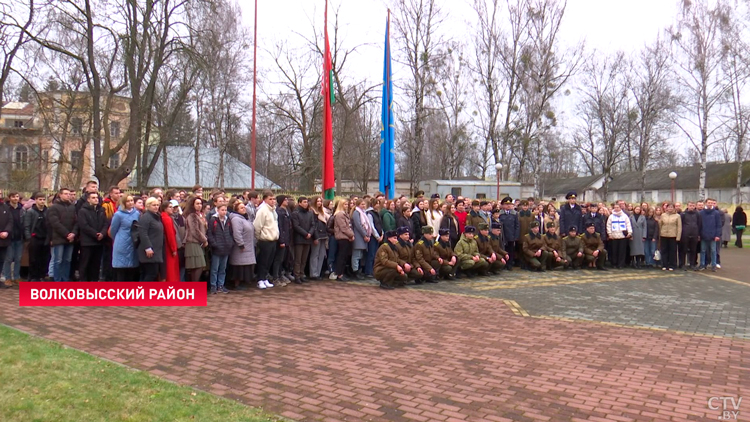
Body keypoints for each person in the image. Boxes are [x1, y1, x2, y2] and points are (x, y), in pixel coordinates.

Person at [77, 191, 108, 281]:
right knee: (85, 264)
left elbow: (106, 223)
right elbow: (84, 225)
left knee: (96, 264)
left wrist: (102, 233)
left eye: (97, 198)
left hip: (99, 242)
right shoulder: (83, 211)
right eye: (93, 198)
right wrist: (95, 234)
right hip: (87, 242)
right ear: (88, 199)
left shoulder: (101, 210)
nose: (96, 199)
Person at [47, 188, 78, 282]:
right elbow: (55, 223)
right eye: (65, 194)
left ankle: (65, 279)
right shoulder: (54, 207)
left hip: (70, 239)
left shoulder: (72, 207)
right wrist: (67, 234)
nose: (68, 195)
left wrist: (73, 233)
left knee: (67, 260)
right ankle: (57, 280)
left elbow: (76, 222)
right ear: (60, 195)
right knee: (58, 260)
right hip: (59, 238)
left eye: (69, 194)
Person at [109, 195, 140, 281]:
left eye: (132, 200)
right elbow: (113, 230)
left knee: (132, 269)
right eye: (128, 201)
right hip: (121, 242)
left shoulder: (136, 213)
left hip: (133, 241)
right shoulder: (118, 215)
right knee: (121, 269)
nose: (130, 203)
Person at [253, 191, 278, 289]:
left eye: (274, 199)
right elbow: (257, 225)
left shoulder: (273, 210)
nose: (273, 201)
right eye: (270, 199)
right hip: (265, 240)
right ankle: (260, 279)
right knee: (263, 261)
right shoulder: (262, 210)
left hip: (273, 239)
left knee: (269, 261)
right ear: (265, 200)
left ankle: (265, 278)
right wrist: (260, 237)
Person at [228, 201, 256, 289]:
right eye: (241, 208)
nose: (244, 209)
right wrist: (241, 244)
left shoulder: (245, 218)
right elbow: (237, 233)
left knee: (244, 266)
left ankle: (243, 282)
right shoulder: (236, 219)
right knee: (239, 266)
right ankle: (237, 284)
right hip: (241, 248)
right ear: (236, 210)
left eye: (244, 207)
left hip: (248, 245)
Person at [23, 193, 50, 281]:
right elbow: (27, 225)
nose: (42, 201)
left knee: (44, 258)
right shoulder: (31, 211)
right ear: (36, 200)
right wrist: (29, 238)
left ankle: (41, 275)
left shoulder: (47, 211)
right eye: (40, 199)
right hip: (34, 238)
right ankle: (33, 276)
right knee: (33, 258)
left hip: (45, 237)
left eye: (43, 200)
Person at [206, 204, 232, 294]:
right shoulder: (213, 220)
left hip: (226, 247)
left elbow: (230, 232)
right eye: (222, 210)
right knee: (215, 268)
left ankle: (221, 285)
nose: (224, 212)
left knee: (223, 268)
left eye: (225, 210)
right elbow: (210, 233)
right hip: (217, 248)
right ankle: (213, 285)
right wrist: (214, 244)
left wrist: (230, 243)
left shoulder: (227, 220)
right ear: (218, 210)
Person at [138, 197, 165, 281]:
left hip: (156, 249)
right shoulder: (146, 217)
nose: (156, 207)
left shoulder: (156, 216)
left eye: (157, 205)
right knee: (151, 273)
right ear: (148, 206)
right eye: (154, 205)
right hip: (149, 251)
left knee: (153, 273)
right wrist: (148, 247)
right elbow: (143, 233)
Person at [291, 196, 315, 284]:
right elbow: (296, 226)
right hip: (299, 238)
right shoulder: (296, 213)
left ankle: (302, 274)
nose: (306, 204)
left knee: (304, 259)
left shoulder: (310, 213)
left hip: (308, 238)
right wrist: (305, 233)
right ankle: (296, 275)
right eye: (304, 202)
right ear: (299, 203)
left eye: (307, 202)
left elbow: (313, 224)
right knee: (298, 259)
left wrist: (310, 233)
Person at [184, 196, 208, 282]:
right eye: (197, 204)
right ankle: (194, 287)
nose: (199, 205)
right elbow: (195, 231)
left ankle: (194, 287)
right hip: (192, 243)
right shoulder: (192, 215)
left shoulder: (199, 215)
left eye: (200, 203)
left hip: (197, 243)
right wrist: (204, 240)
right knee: (198, 266)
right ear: (192, 205)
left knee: (198, 266)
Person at [2, 192, 24, 285]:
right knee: (9, 258)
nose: (15, 198)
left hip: (19, 237)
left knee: (18, 258)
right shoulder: (6, 208)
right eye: (13, 197)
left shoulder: (22, 209)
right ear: (10, 198)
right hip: (9, 237)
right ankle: (7, 277)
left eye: (17, 197)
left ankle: (16, 276)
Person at [100, 186, 121, 281]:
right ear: (111, 194)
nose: (118, 195)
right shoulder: (107, 204)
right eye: (116, 193)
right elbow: (107, 219)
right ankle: (106, 276)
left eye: (118, 193)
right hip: (109, 233)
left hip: (116, 234)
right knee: (108, 257)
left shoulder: (118, 204)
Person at [272, 195, 293, 286]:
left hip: (287, 238)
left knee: (283, 259)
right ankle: (275, 277)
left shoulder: (286, 211)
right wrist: (282, 240)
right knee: (278, 259)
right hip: (282, 239)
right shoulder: (279, 212)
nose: (287, 201)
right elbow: (280, 227)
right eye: (285, 200)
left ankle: (281, 274)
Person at [332, 199, 354, 281]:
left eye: (347, 204)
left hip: (347, 237)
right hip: (342, 237)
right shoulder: (339, 215)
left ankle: (342, 273)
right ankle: (339, 274)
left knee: (344, 256)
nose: (347, 206)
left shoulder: (345, 214)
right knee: (341, 256)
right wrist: (351, 235)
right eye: (345, 204)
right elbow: (343, 227)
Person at [606, 203, 632, 269]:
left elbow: (628, 224)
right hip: (614, 236)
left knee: (622, 251)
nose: (616, 209)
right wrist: (609, 234)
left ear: (620, 208)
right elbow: (608, 225)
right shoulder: (611, 216)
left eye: (618, 207)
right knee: (614, 251)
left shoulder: (625, 216)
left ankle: (621, 264)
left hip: (622, 236)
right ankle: (614, 263)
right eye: (615, 207)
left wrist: (629, 232)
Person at [699, 198, 722, 272]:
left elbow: (718, 225)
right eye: (709, 202)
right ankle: (702, 264)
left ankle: (713, 265)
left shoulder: (716, 213)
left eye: (711, 203)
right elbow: (699, 225)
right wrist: (699, 234)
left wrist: (717, 235)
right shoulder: (701, 213)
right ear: (706, 203)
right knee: (702, 250)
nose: (710, 204)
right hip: (703, 235)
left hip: (713, 236)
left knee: (713, 251)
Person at [160, 200, 180, 283]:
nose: (172, 209)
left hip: (166, 246)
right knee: (171, 269)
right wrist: (173, 249)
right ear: (165, 208)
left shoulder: (163, 217)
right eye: (170, 207)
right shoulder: (167, 219)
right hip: (169, 248)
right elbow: (170, 235)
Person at [659, 202, 682, 272]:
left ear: (674, 208)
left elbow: (679, 227)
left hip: (673, 236)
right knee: (664, 251)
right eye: (669, 207)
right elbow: (660, 225)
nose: (670, 208)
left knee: (673, 251)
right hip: (664, 235)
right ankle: (664, 265)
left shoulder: (677, 216)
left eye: (672, 207)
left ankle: (672, 265)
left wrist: (678, 237)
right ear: (666, 208)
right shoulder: (663, 215)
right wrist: (660, 233)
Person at [498, 197, 519, 270]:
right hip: (503, 235)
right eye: (506, 204)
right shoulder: (500, 213)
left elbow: (517, 225)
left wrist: (515, 236)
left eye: (509, 204)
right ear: (503, 205)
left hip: (511, 235)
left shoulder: (514, 213)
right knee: (503, 250)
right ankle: (503, 264)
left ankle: (510, 264)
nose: (508, 206)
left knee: (511, 250)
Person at [365, 198, 384, 279]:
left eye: (379, 203)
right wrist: (377, 236)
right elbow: (371, 226)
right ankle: (368, 271)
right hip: (373, 237)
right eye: (376, 203)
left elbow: (380, 224)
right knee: (371, 254)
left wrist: (382, 234)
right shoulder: (370, 213)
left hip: (379, 236)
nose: (378, 205)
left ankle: (374, 269)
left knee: (375, 254)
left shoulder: (377, 213)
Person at [680, 202, 702, 270]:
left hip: (694, 234)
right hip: (685, 235)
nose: (691, 207)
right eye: (690, 206)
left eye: (693, 206)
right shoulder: (683, 214)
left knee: (693, 250)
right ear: (687, 206)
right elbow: (681, 225)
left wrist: (698, 234)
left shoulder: (697, 214)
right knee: (684, 250)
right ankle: (682, 264)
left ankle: (692, 264)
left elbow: (699, 224)